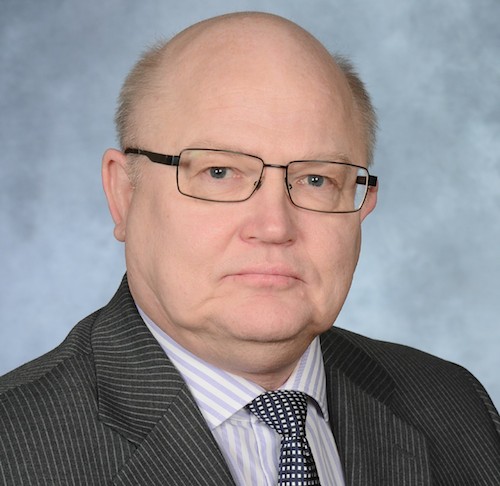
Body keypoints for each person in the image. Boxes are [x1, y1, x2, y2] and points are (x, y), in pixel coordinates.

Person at [1, 11, 499, 486]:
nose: (274, 226)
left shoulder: (456, 408)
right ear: (124, 194)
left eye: (317, 179)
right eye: (219, 172)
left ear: (361, 204)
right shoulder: (13, 448)